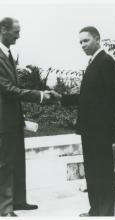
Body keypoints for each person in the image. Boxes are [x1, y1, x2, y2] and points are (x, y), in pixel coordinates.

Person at [52, 26, 115, 216]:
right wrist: (62, 98)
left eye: (86, 40)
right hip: (90, 130)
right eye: (80, 42)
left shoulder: (106, 62)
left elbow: (112, 100)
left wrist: (106, 129)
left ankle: (105, 213)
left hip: (100, 131)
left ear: (97, 39)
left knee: (103, 173)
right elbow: (88, 96)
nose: (83, 45)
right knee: (92, 172)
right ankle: (95, 210)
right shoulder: (94, 62)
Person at [0, 17, 53, 217]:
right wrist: (39, 95)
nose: (19, 35)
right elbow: (8, 90)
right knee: (4, 164)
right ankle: (5, 208)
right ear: (3, 30)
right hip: (3, 121)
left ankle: (18, 201)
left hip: (13, 120)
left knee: (18, 161)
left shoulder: (8, 53)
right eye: (16, 31)